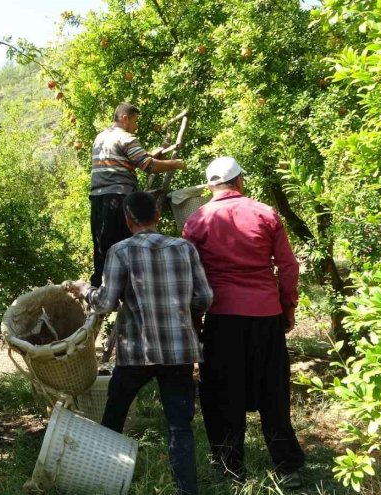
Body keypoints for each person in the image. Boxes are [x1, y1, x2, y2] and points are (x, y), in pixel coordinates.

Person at [66, 191, 213, 495]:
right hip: (179, 351)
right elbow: (205, 298)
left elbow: (106, 302)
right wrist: (183, 315)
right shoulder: (184, 248)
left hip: (136, 352)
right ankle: (187, 491)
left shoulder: (120, 251)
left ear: (128, 220)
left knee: (113, 417)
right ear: (157, 216)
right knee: (179, 425)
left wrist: (83, 290)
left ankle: (102, 482)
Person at [182, 157, 306, 487]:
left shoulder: (197, 220)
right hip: (266, 315)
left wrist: (195, 320)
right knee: (273, 390)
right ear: (239, 182)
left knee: (223, 391)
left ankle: (230, 465)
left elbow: (190, 279)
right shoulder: (266, 213)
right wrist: (287, 308)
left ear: (210, 186)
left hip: (222, 317)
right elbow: (288, 267)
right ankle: (287, 465)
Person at [89, 102, 186, 286]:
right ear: (124, 119)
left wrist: (149, 155)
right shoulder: (126, 138)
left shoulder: (101, 138)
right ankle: (131, 291)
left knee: (103, 247)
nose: (136, 127)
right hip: (118, 198)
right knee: (126, 247)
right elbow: (148, 166)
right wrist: (175, 164)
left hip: (98, 198)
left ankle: (99, 293)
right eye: (135, 121)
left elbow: (126, 160)